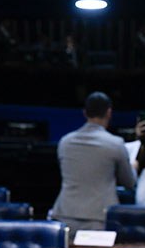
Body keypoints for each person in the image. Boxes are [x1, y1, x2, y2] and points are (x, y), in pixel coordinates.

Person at [49, 91, 137, 235]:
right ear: (109, 113)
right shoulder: (115, 144)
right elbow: (129, 182)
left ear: (85, 113)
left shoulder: (65, 142)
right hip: (99, 219)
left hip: (64, 215)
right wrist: (133, 167)